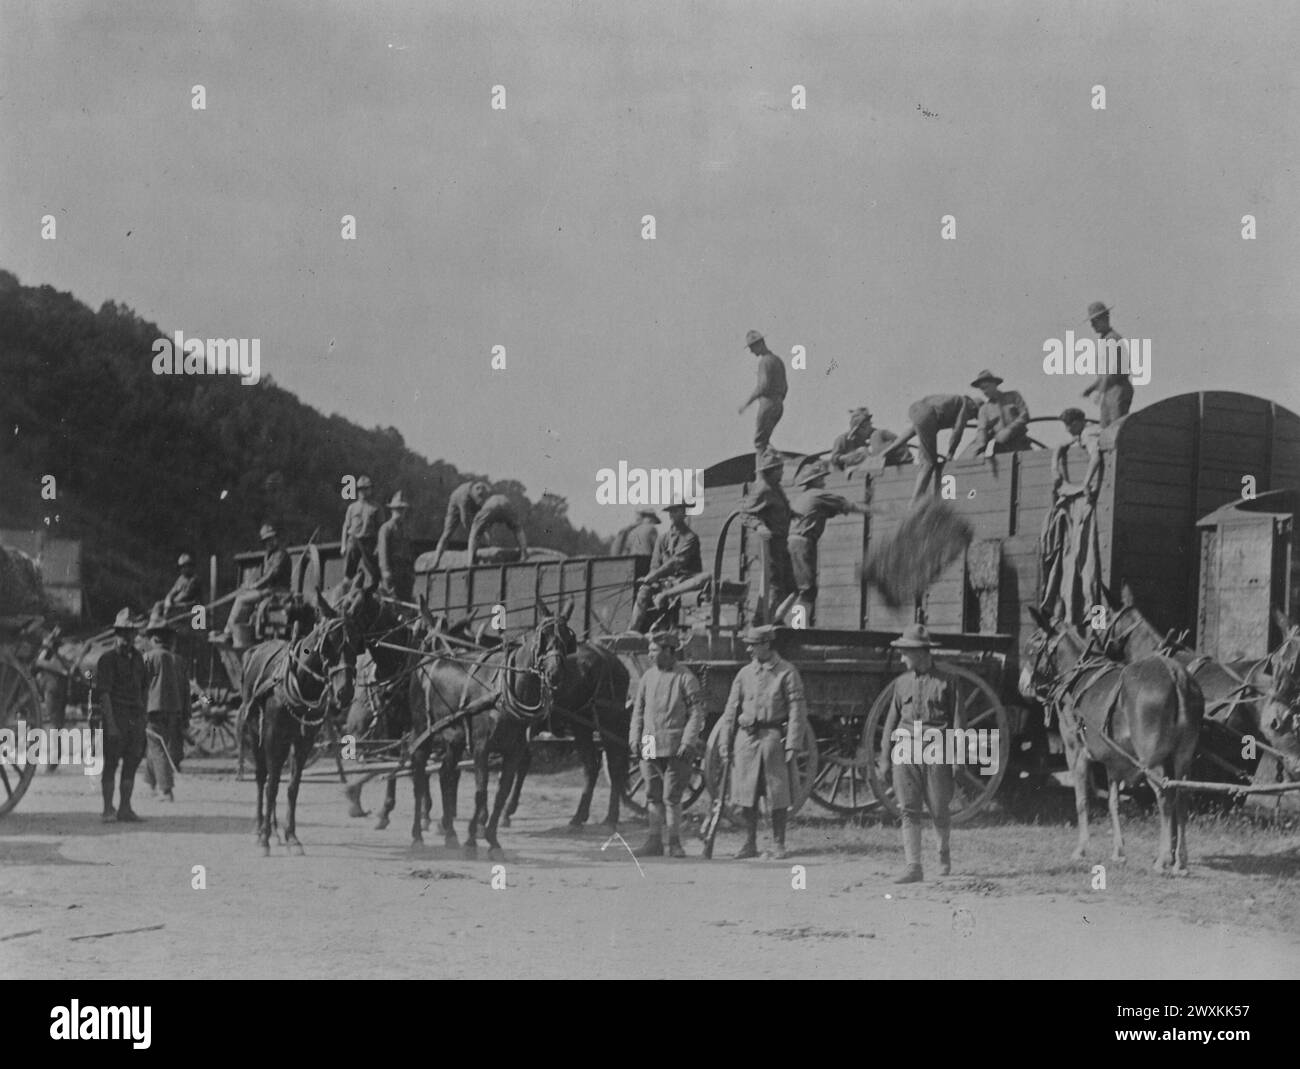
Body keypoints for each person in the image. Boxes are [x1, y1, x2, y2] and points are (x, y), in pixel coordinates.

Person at [717, 625, 809, 859]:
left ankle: (779, 843)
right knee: (747, 793)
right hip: (746, 740)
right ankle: (749, 843)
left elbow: (797, 710)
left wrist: (793, 745)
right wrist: (725, 742)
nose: (748, 649)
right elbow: (730, 709)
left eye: (753, 644)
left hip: (772, 740)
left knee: (778, 794)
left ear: (767, 644)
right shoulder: (744, 674)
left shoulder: (787, 672)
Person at [876, 624, 958, 883]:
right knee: (908, 809)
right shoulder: (901, 684)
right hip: (905, 750)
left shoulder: (948, 682)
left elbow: (959, 722)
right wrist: (885, 757)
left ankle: (942, 854)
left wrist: (958, 759)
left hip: (936, 751)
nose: (902, 659)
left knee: (938, 808)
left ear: (922, 653)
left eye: (906, 653)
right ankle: (913, 866)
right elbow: (891, 722)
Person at [627, 629, 706, 858]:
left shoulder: (686, 678)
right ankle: (654, 842)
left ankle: (674, 842)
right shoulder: (647, 678)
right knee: (652, 793)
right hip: (650, 742)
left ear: (669, 651)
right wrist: (635, 738)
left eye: (655, 650)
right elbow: (638, 712)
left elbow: (696, 714)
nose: (650, 655)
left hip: (676, 744)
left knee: (672, 796)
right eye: (650, 650)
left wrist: (688, 741)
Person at [1040, 407, 1104, 626]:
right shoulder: (1083, 435)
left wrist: (1086, 481)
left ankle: (1091, 620)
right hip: (1078, 499)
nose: (1067, 430)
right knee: (1079, 562)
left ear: (1079, 422)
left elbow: (1095, 455)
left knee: (1085, 562)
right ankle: (1081, 618)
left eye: (1069, 425)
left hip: (1084, 500)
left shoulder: (1089, 434)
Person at [788, 460, 870, 626]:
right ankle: (798, 628)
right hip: (802, 543)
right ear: (814, 481)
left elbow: (830, 510)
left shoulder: (804, 497)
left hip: (793, 541)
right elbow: (846, 505)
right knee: (807, 590)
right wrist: (874, 511)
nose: (824, 481)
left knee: (798, 589)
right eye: (821, 478)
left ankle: (787, 622)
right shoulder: (818, 494)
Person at [94, 609, 149, 822]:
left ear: (135, 634)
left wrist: (143, 717)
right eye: (123, 633)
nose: (127, 637)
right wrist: (111, 724)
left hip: (135, 718)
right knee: (110, 764)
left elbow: (144, 689)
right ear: (116, 634)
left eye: (131, 633)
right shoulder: (107, 660)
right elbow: (104, 694)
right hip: (115, 716)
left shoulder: (138, 659)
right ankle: (108, 809)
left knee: (131, 763)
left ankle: (125, 808)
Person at [628, 502, 705, 634]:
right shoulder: (662, 538)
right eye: (671, 511)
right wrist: (652, 578)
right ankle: (632, 631)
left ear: (684, 513)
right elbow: (654, 564)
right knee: (644, 590)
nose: (673, 514)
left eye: (677, 511)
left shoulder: (691, 538)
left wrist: (656, 575)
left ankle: (670, 630)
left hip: (686, 580)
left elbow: (677, 562)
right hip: (666, 581)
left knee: (670, 592)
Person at [893, 394, 981, 503]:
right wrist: (950, 453)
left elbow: (912, 431)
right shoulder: (965, 405)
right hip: (927, 414)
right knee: (928, 463)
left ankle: (916, 499)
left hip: (915, 409)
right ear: (973, 407)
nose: (969, 418)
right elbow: (957, 431)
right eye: (972, 416)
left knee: (925, 459)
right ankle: (914, 502)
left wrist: (888, 450)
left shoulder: (951, 404)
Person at [743, 450, 796, 624]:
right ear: (771, 471)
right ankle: (762, 623)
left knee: (792, 587)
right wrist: (759, 526)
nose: (782, 472)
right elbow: (745, 513)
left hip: (781, 544)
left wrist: (792, 514)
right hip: (771, 545)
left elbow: (777, 509)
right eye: (779, 469)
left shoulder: (776, 488)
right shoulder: (763, 489)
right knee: (775, 587)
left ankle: (772, 619)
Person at [141, 610, 187, 802]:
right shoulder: (178, 660)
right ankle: (151, 783)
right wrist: (185, 714)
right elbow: (186, 689)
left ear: (153, 639)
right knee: (156, 745)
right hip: (174, 710)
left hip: (153, 709)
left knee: (156, 747)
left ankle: (165, 790)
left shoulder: (148, 658)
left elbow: (140, 685)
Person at [217, 525, 291, 643]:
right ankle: (240, 634)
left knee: (241, 599)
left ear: (276, 538)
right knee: (244, 597)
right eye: (266, 541)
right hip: (268, 591)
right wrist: (248, 584)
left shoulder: (281, 554)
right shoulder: (269, 555)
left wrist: (255, 586)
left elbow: (272, 575)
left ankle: (228, 632)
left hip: (279, 592)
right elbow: (262, 575)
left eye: (271, 539)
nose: (269, 543)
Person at [737, 330, 787, 466]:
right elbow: (785, 387)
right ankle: (774, 463)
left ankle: (762, 475)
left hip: (768, 405)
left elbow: (762, 386)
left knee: (760, 442)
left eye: (752, 347)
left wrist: (746, 404)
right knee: (765, 440)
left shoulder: (765, 362)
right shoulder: (777, 360)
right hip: (778, 404)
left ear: (759, 344)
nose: (751, 351)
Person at [1081, 301, 1132, 427]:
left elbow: (1115, 370)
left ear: (1105, 318)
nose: (1092, 325)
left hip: (1117, 389)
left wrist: (1099, 389)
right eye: (1091, 321)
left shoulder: (1112, 339)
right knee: (1105, 430)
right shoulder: (1105, 340)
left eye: (1095, 320)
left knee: (1115, 429)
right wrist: (1092, 388)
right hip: (1109, 391)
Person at [427, 480, 490, 572]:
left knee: (480, 527)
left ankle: (475, 552)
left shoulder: (479, 494)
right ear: (474, 492)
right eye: (480, 497)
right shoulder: (463, 497)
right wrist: (474, 535)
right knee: (447, 534)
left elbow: (482, 514)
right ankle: (436, 561)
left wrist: (485, 531)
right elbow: (465, 521)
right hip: (455, 504)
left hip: (471, 502)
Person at [965, 370, 1031, 456]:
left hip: (1022, 445)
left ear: (994, 384)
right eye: (982, 389)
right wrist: (980, 449)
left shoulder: (1013, 396)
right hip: (1001, 450)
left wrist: (1009, 430)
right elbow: (982, 431)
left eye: (986, 387)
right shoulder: (984, 409)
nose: (984, 392)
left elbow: (1024, 415)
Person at [828, 408, 908, 472]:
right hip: (848, 470)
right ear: (858, 429)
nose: (870, 428)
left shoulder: (875, 434)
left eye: (870, 425)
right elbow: (834, 459)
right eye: (866, 426)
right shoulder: (843, 439)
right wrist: (850, 457)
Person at [341, 475, 382, 587]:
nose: (364, 491)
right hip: (353, 541)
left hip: (369, 541)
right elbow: (346, 526)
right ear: (358, 491)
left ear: (370, 490)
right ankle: (347, 593)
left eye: (367, 488)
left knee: (373, 571)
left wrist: (378, 546)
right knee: (349, 572)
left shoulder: (376, 507)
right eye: (361, 489)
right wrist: (343, 545)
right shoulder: (352, 507)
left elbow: (380, 528)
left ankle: (372, 591)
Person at [466, 492, 528, 564]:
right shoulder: (491, 498)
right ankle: (524, 553)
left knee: (474, 533)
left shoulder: (483, 506)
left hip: (491, 506)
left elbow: (480, 531)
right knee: (517, 528)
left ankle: (470, 562)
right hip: (505, 502)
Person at [377, 491, 415, 601]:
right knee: (392, 600)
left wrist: (411, 571)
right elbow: (383, 551)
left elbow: (410, 550)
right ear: (392, 510)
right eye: (398, 509)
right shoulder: (386, 528)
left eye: (402, 509)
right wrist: (385, 571)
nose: (401, 512)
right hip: (393, 570)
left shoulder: (405, 529)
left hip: (405, 571)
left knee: (406, 600)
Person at [612, 509, 659, 580]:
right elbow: (657, 549)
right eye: (654, 520)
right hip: (645, 563)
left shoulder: (632, 532)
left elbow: (627, 549)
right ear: (651, 518)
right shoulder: (652, 529)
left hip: (631, 564)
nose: (653, 523)